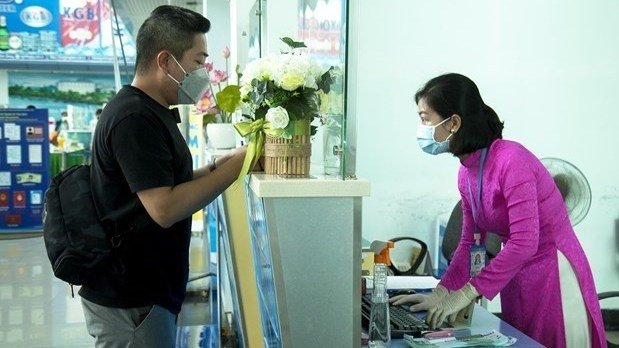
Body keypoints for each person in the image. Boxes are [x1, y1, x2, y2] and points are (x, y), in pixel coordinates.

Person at [390, 73, 606, 347]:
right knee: (520, 340)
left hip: (553, 270)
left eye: (425, 118)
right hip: (516, 272)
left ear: (454, 122)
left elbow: (526, 241)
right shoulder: (466, 173)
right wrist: (442, 291)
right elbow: (470, 243)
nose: (422, 128)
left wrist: (468, 291)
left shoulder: (511, 160)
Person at [79, 5, 248, 347]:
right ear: (165, 61)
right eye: (198, 61)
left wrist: (220, 164)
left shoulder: (152, 111)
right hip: (131, 301)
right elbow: (164, 208)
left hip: (148, 292)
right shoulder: (133, 118)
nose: (202, 72)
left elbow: (168, 181)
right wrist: (234, 170)